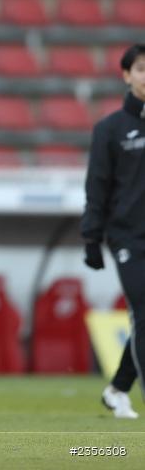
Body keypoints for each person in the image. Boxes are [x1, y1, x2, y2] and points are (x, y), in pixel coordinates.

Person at [82, 43, 145, 420]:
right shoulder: (110, 129)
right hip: (128, 239)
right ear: (126, 75)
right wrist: (92, 237)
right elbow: (97, 186)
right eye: (141, 69)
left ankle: (118, 388)